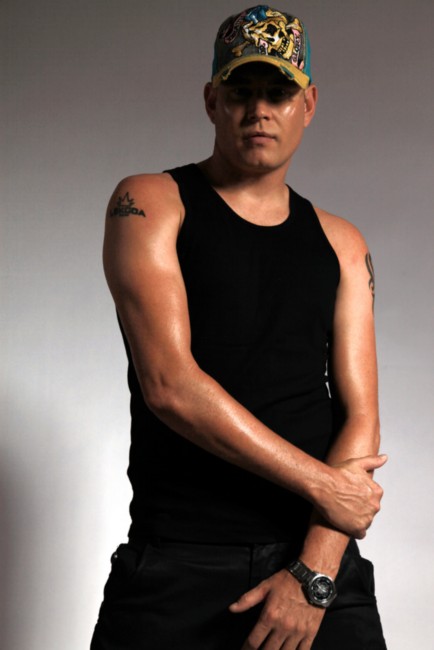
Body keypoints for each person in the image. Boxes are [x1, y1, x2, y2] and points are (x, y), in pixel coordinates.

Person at [91, 5, 388, 649]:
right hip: (179, 562)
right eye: (240, 91)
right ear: (211, 101)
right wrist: (324, 485)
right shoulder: (149, 203)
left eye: (277, 92)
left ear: (308, 104)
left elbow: (361, 416)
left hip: (315, 556)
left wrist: (314, 572)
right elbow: (169, 384)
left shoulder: (343, 243)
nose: (259, 110)